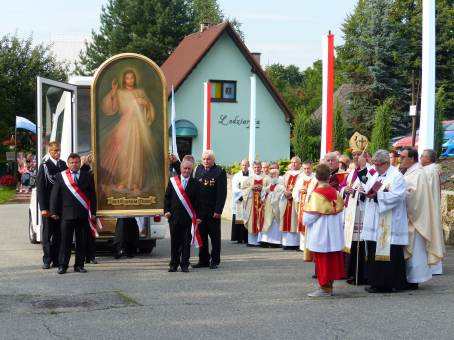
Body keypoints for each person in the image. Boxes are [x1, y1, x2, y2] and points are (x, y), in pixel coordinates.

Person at [100, 69, 158, 193]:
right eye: (127, 78)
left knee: (137, 155)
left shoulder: (140, 92)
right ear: (124, 80)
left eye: (132, 77)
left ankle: (136, 183)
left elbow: (149, 108)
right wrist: (113, 92)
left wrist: (145, 104)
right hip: (124, 126)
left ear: (135, 79)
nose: (130, 80)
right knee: (124, 154)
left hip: (137, 127)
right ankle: (123, 181)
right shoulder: (120, 92)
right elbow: (111, 109)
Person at [362, 150, 408, 293]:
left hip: (389, 222)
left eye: (379, 165)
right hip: (375, 221)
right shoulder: (377, 174)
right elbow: (369, 188)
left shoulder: (397, 177)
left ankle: (387, 284)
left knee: (389, 255)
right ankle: (375, 281)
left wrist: (377, 197)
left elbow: (397, 196)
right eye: (374, 164)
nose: (375, 168)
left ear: (387, 163)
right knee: (373, 252)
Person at [399, 147, 444, 289]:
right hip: (411, 216)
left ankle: (415, 279)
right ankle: (409, 278)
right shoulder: (411, 172)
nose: (400, 160)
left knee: (416, 251)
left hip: (417, 218)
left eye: (403, 157)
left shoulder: (418, 173)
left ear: (411, 158)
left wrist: (400, 193)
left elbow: (416, 196)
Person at [50, 153, 96, 274]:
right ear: (68, 164)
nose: (74, 164)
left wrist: (94, 212)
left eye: (76, 162)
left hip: (82, 214)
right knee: (65, 241)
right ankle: (63, 265)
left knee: (81, 241)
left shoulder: (87, 176)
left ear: (80, 163)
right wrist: (53, 211)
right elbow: (55, 194)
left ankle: (79, 265)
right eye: (72, 162)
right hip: (67, 214)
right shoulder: (61, 176)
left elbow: (92, 195)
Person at [303, 164, 345, 297]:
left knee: (322, 262)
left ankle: (324, 288)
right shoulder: (336, 193)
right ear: (329, 176)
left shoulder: (316, 195)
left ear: (316, 177)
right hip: (334, 232)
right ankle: (329, 286)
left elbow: (309, 217)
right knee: (331, 261)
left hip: (320, 233)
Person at [164, 159, 202, 272]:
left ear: (191, 170)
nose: (186, 170)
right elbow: (167, 197)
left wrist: (199, 216)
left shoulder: (196, 184)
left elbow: (199, 202)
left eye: (189, 168)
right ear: (180, 169)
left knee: (186, 242)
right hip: (174, 217)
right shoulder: (173, 181)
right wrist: (166, 210)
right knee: (175, 242)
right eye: (184, 168)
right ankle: (173, 264)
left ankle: (184, 264)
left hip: (189, 219)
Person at [192, 150, 227, 269]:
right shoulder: (198, 170)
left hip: (213, 211)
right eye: (204, 159)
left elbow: (222, 193)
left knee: (214, 237)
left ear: (213, 160)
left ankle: (215, 260)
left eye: (209, 159)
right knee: (201, 237)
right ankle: (203, 260)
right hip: (200, 211)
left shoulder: (220, 172)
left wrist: (218, 210)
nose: (206, 161)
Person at [36, 142, 68, 269]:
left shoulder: (63, 165)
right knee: (47, 233)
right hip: (48, 207)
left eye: (59, 150)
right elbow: (41, 189)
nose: (58, 153)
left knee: (59, 234)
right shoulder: (44, 167)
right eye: (55, 150)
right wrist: (43, 208)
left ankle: (57, 259)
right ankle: (47, 259)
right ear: (50, 151)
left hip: (61, 206)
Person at [341, 148, 369, 285]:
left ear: (366, 157)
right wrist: (345, 190)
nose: (356, 157)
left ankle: (361, 274)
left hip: (362, 213)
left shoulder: (370, 171)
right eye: (354, 155)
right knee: (350, 243)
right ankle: (350, 273)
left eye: (359, 154)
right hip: (351, 212)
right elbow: (342, 187)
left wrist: (361, 192)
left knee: (360, 244)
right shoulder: (351, 172)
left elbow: (371, 188)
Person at [420, 149, 445, 275]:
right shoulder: (429, 170)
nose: (420, 157)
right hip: (430, 208)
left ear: (429, 159)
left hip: (428, 208)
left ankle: (433, 266)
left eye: (423, 156)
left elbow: (425, 191)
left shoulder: (429, 172)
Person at [241, 161, 269, 246]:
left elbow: (271, 189)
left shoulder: (266, 178)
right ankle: (251, 241)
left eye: (258, 167)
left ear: (261, 168)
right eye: (255, 167)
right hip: (251, 204)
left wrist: (263, 188)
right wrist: (251, 188)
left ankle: (261, 240)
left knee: (262, 221)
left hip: (263, 204)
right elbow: (243, 190)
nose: (257, 169)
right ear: (253, 168)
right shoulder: (249, 179)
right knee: (252, 221)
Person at [280, 156, 303, 250]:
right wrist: (284, 192)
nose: (293, 164)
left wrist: (292, 193)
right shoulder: (287, 174)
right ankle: (286, 243)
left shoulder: (302, 174)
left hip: (295, 200)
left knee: (294, 219)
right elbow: (281, 185)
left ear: (299, 164)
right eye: (292, 162)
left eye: (295, 162)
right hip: (286, 200)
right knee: (286, 219)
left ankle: (295, 243)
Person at [293, 160, 315, 252]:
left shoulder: (315, 178)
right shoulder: (300, 178)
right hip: (302, 204)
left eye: (308, 168)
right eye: (305, 168)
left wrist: (308, 191)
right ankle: (302, 246)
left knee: (310, 224)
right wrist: (298, 191)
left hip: (312, 204)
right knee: (302, 223)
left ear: (312, 168)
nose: (306, 170)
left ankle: (310, 246)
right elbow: (294, 191)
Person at [80, 153, 97, 264]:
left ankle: (90, 256)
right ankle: (85, 256)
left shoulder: (90, 174)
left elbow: (92, 194)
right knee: (83, 234)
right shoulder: (82, 173)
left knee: (90, 233)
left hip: (89, 207)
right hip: (81, 208)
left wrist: (93, 211)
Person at [231, 159, 250, 244]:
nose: (244, 166)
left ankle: (247, 237)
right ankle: (239, 237)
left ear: (248, 165)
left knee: (247, 217)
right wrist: (243, 192)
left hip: (249, 199)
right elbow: (235, 188)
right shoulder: (236, 176)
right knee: (239, 218)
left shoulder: (252, 175)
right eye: (243, 165)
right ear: (240, 166)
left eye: (246, 165)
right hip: (240, 198)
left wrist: (247, 192)